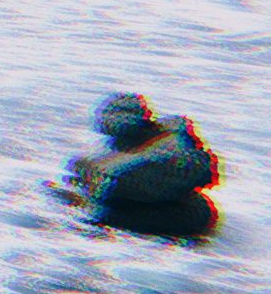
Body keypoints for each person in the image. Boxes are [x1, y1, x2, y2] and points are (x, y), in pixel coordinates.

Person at [63, 91, 223, 238]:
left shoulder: (170, 142)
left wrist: (103, 182)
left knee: (98, 217)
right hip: (145, 208)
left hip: (184, 214)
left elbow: (196, 173)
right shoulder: (117, 147)